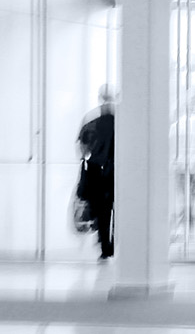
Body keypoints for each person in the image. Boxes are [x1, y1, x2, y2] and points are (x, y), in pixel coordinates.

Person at [76, 85, 116, 261]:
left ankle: (105, 245)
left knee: (102, 209)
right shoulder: (121, 121)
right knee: (115, 207)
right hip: (116, 169)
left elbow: (82, 149)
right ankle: (111, 242)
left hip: (96, 171)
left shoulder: (91, 121)